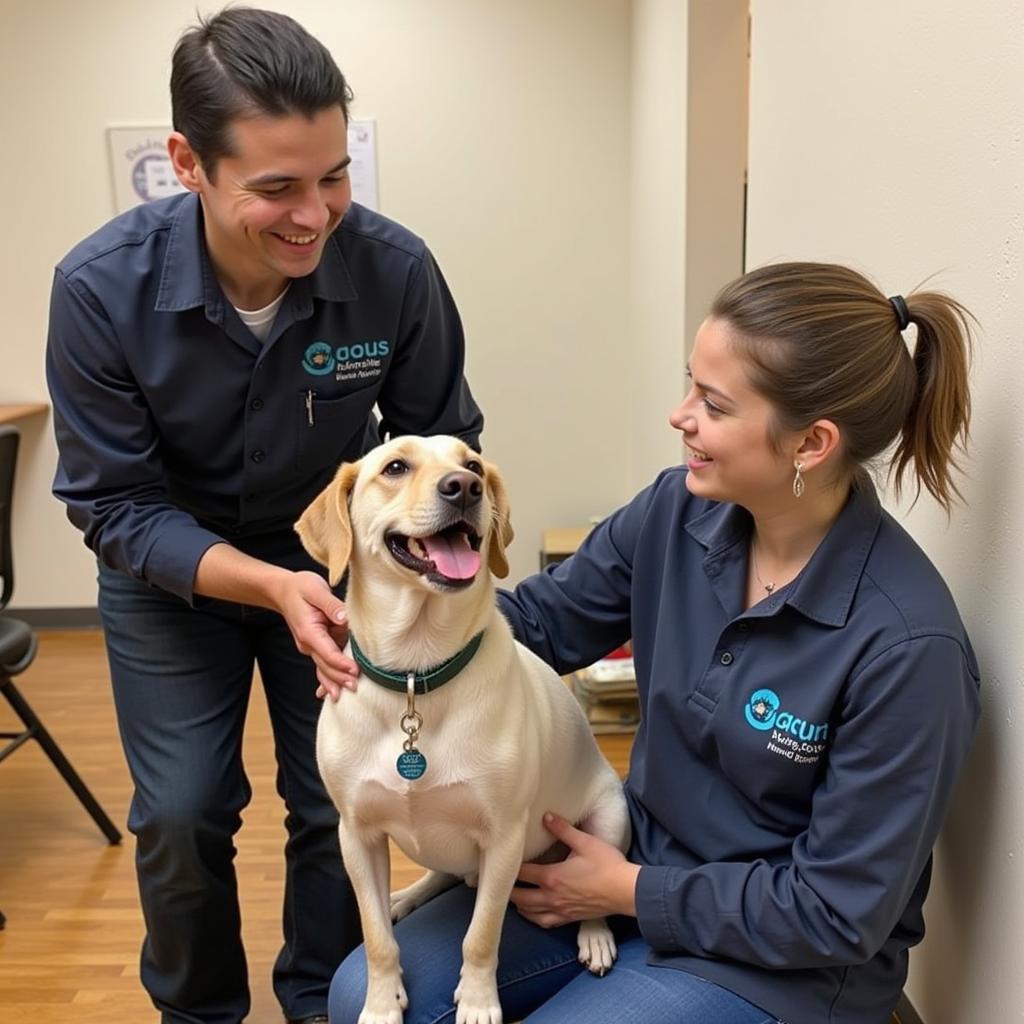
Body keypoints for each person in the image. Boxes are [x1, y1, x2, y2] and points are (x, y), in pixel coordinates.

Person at [326, 261, 980, 1024]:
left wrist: (626, 891)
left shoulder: (907, 647)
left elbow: (836, 911)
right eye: (689, 386)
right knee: (357, 996)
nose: (681, 416)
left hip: (782, 966)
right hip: (626, 867)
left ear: (811, 444)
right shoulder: (677, 512)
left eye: (713, 403)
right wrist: (378, 650)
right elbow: (534, 626)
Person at [45, 8, 482, 1024]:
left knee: (340, 800)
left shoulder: (395, 272)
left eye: (334, 177)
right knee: (184, 811)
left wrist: (421, 598)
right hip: (169, 582)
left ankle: (323, 1003)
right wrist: (267, 581)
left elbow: (442, 446)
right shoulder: (100, 290)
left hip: (338, 577)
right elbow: (113, 504)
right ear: (187, 163)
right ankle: (196, 1013)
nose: (314, 214)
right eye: (277, 188)